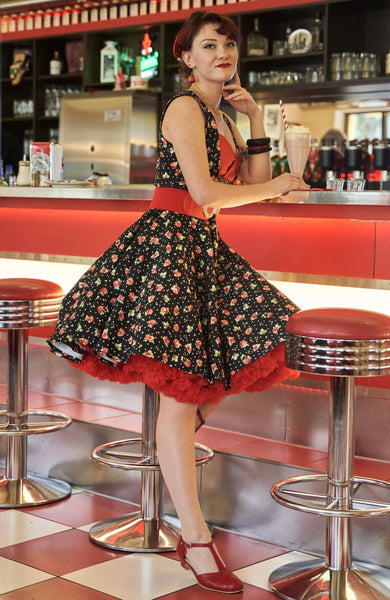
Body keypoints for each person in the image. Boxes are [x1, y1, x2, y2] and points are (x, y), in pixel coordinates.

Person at [48, 10, 309, 594]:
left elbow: (255, 182)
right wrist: (274, 185)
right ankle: (195, 539)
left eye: (229, 44)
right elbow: (207, 192)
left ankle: (174, 456)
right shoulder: (184, 107)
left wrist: (258, 119)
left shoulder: (224, 113)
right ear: (186, 58)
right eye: (209, 45)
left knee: (263, 341)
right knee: (181, 392)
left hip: (204, 248)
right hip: (169, 246)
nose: (223, 53)